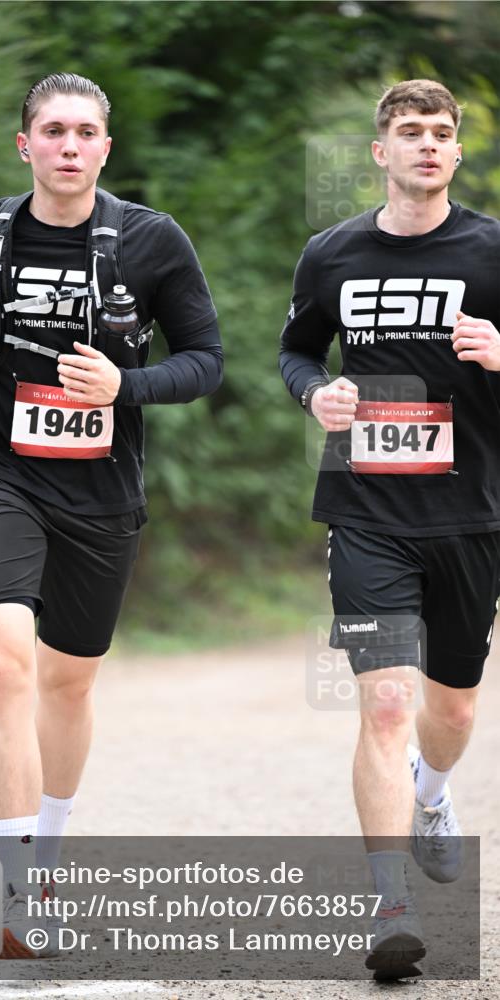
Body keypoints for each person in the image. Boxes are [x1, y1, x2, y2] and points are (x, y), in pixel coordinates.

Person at [0, 72, 222, 958]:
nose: (69, 145)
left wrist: (130, 385)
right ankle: (17, 891)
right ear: (26, 144)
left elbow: (205, 360)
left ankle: (48, 843)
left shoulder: (152, 242)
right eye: (52, 130)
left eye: (85, 131)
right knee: (4, 663)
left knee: (68, 681)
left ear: (105, 149)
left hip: (99, 489)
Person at [280, 79, 499, 979]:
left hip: (470, 515)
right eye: (409, 132)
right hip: (366, 511)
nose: (426, 145)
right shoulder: (332, 253)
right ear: (380, 152)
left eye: (441, 134)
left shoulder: (491, 252)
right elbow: (297, 348)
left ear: (455, 153)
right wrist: (314, 392)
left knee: (448, 709)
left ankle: (434, 793)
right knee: (384, 704)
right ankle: (389, 912)